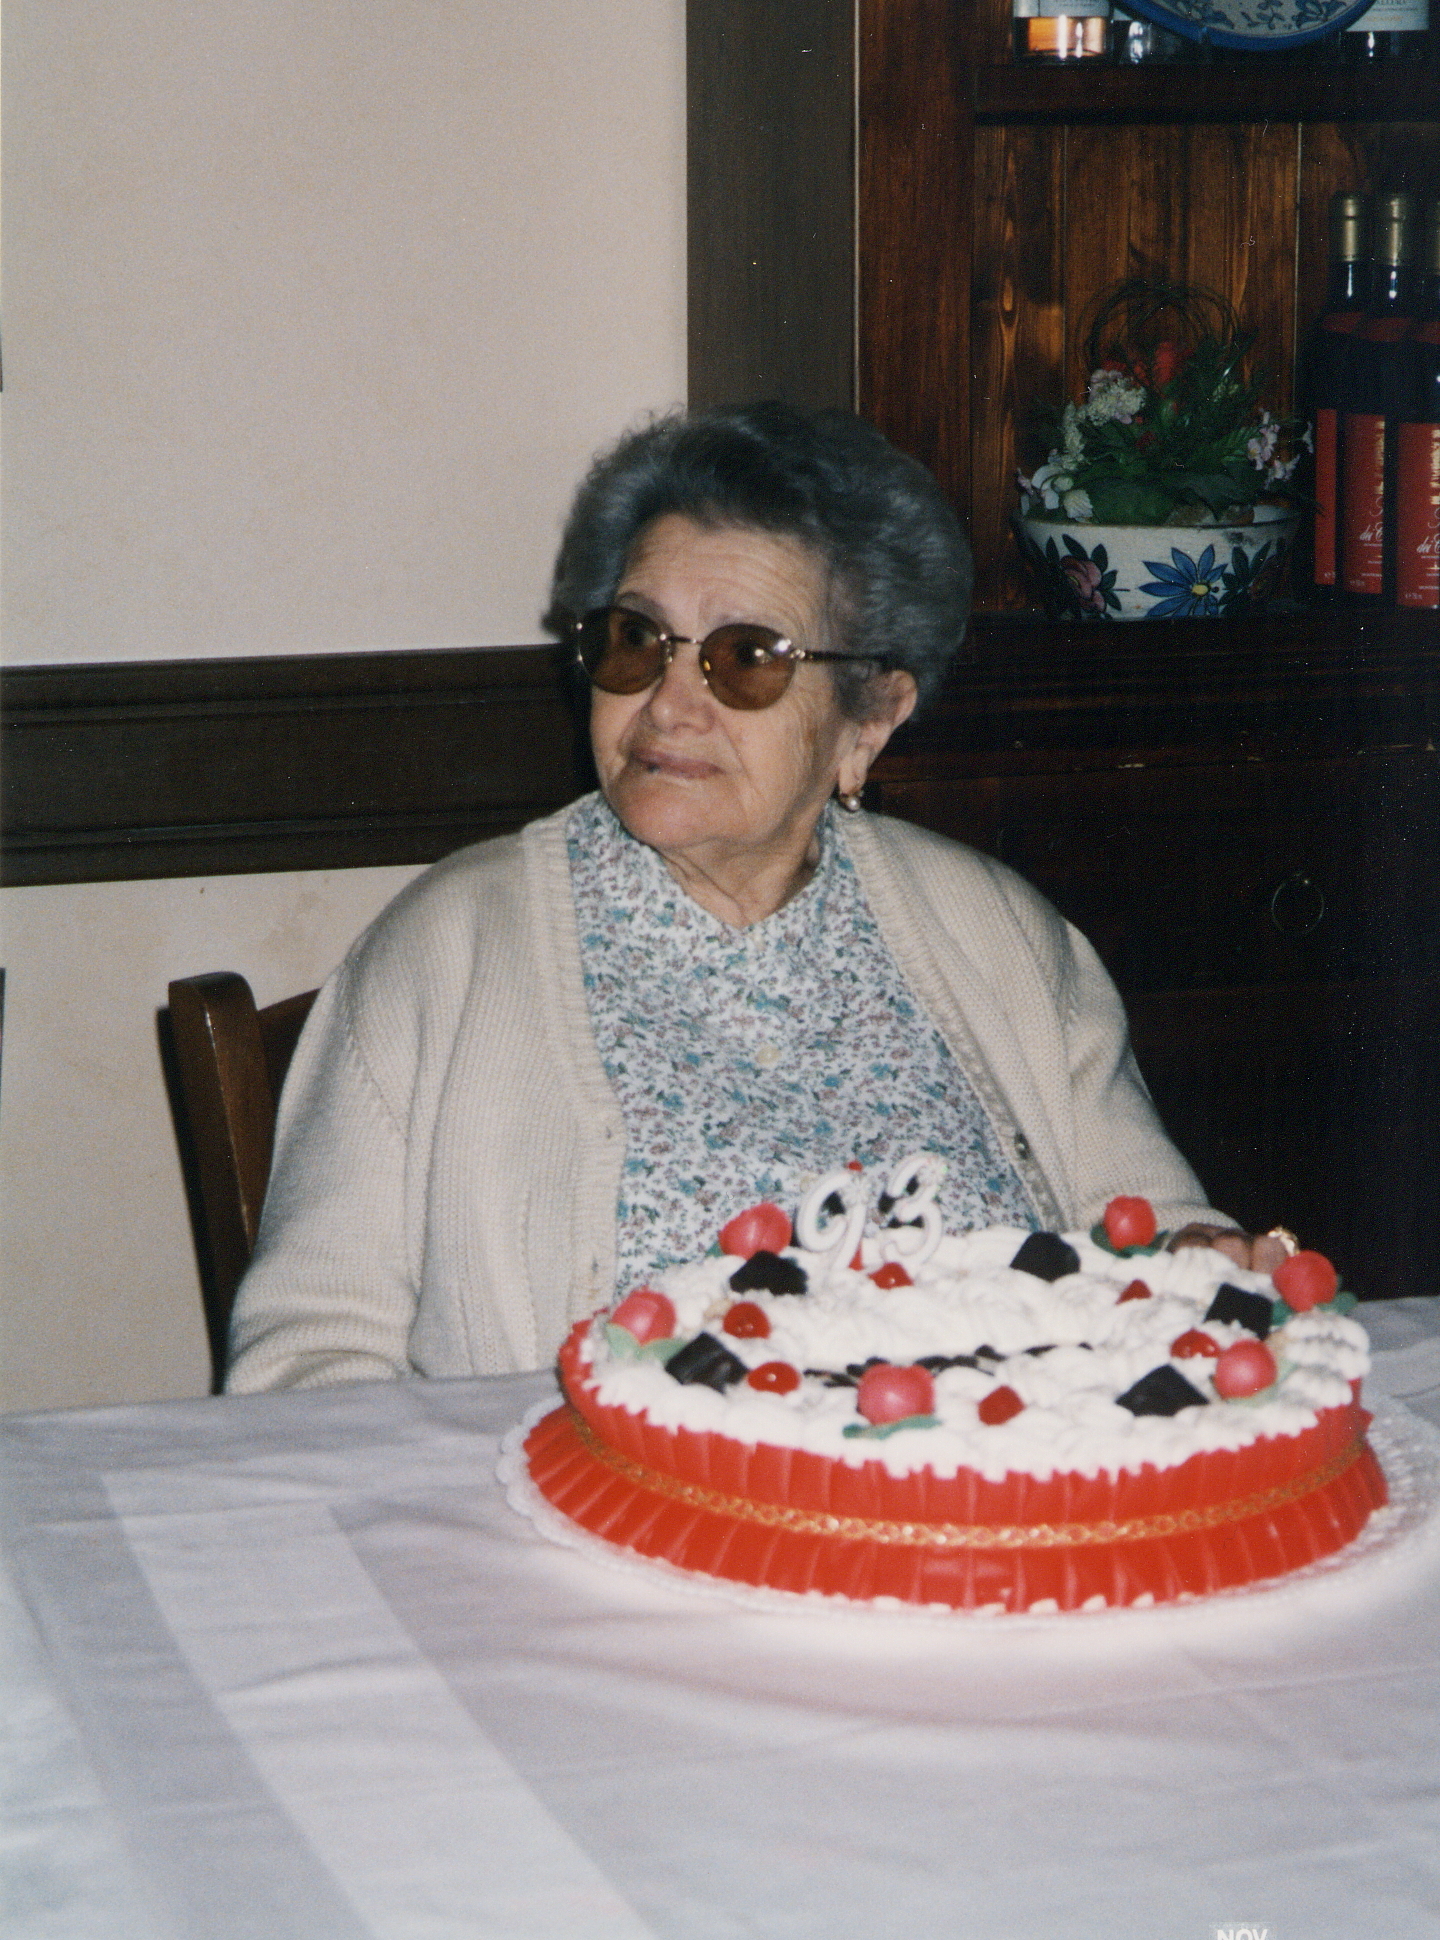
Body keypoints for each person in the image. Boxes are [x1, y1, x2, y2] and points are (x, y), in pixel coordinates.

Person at [228, 402, 1278, 1393]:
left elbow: (1158, 1240)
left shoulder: (1000, 932)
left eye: (746, 659)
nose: (669, 704)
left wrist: (1198, 1257)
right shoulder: (446, 952)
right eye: (637, 639)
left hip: (985, 1501)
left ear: (868, 720)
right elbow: (309, 1360)